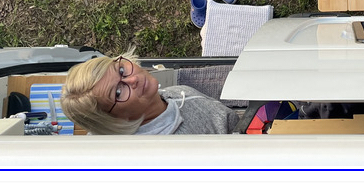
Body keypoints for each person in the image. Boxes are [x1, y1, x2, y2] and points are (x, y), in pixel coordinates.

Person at [61, 49, 238, 135]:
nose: (133, 80)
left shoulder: (171, 95)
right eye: (118, 92)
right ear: (113, 121)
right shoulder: (171, 155)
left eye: (121, 70)